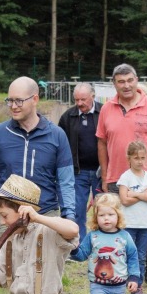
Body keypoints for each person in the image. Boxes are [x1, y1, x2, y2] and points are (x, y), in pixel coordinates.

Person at [96, 64, 147, 286]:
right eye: (121, 82)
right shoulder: (106, 109)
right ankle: (118, 266)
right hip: (116, 177)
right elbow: (101, 142)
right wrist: (104, 175)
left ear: (136, 80)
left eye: (130, 80)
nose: (126, 85)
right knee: (116, 222)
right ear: (114, 84)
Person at [0, 77, 75, 249]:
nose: (13, 106)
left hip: (45, 215)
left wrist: (68, 219)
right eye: (10, 101)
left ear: (35, 99)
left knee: (41, 272)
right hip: (8, 217)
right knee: (8, 272)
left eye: (19, 100)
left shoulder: (57, 136)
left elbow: (66, 183)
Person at [72, 193, 139, 294]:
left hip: (118, 285)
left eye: (110, 214)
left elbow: (132, 257)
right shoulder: (93, 236)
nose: (106, 219)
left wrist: (134, 278)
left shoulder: (124, 237)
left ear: (118, 215)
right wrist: (73, 249)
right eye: (102, 215)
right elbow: (82, 255)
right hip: (98, 285)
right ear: (96, 217)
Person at [115, 141, 147, 294]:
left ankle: (137, 286)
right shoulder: (125, 177)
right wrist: (143, 193)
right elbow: (124, 200)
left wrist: (134, 194)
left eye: (142, 158)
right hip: (129, 223)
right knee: (126, 254)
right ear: (129, 158)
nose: (140, 161)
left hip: (145, 224)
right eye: (136, 158)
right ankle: (121, 286)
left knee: (141, 255)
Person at [56, 83, 103, 237]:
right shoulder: (67, 117)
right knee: (76, 210)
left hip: (101, 172)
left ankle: (102, 243)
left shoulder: (105, 112)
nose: (79, 103)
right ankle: (78, 246)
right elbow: (59, 144)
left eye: (83, 99)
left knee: (104, 209)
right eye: (76, 100)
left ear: (93, 97)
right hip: (77, 172)